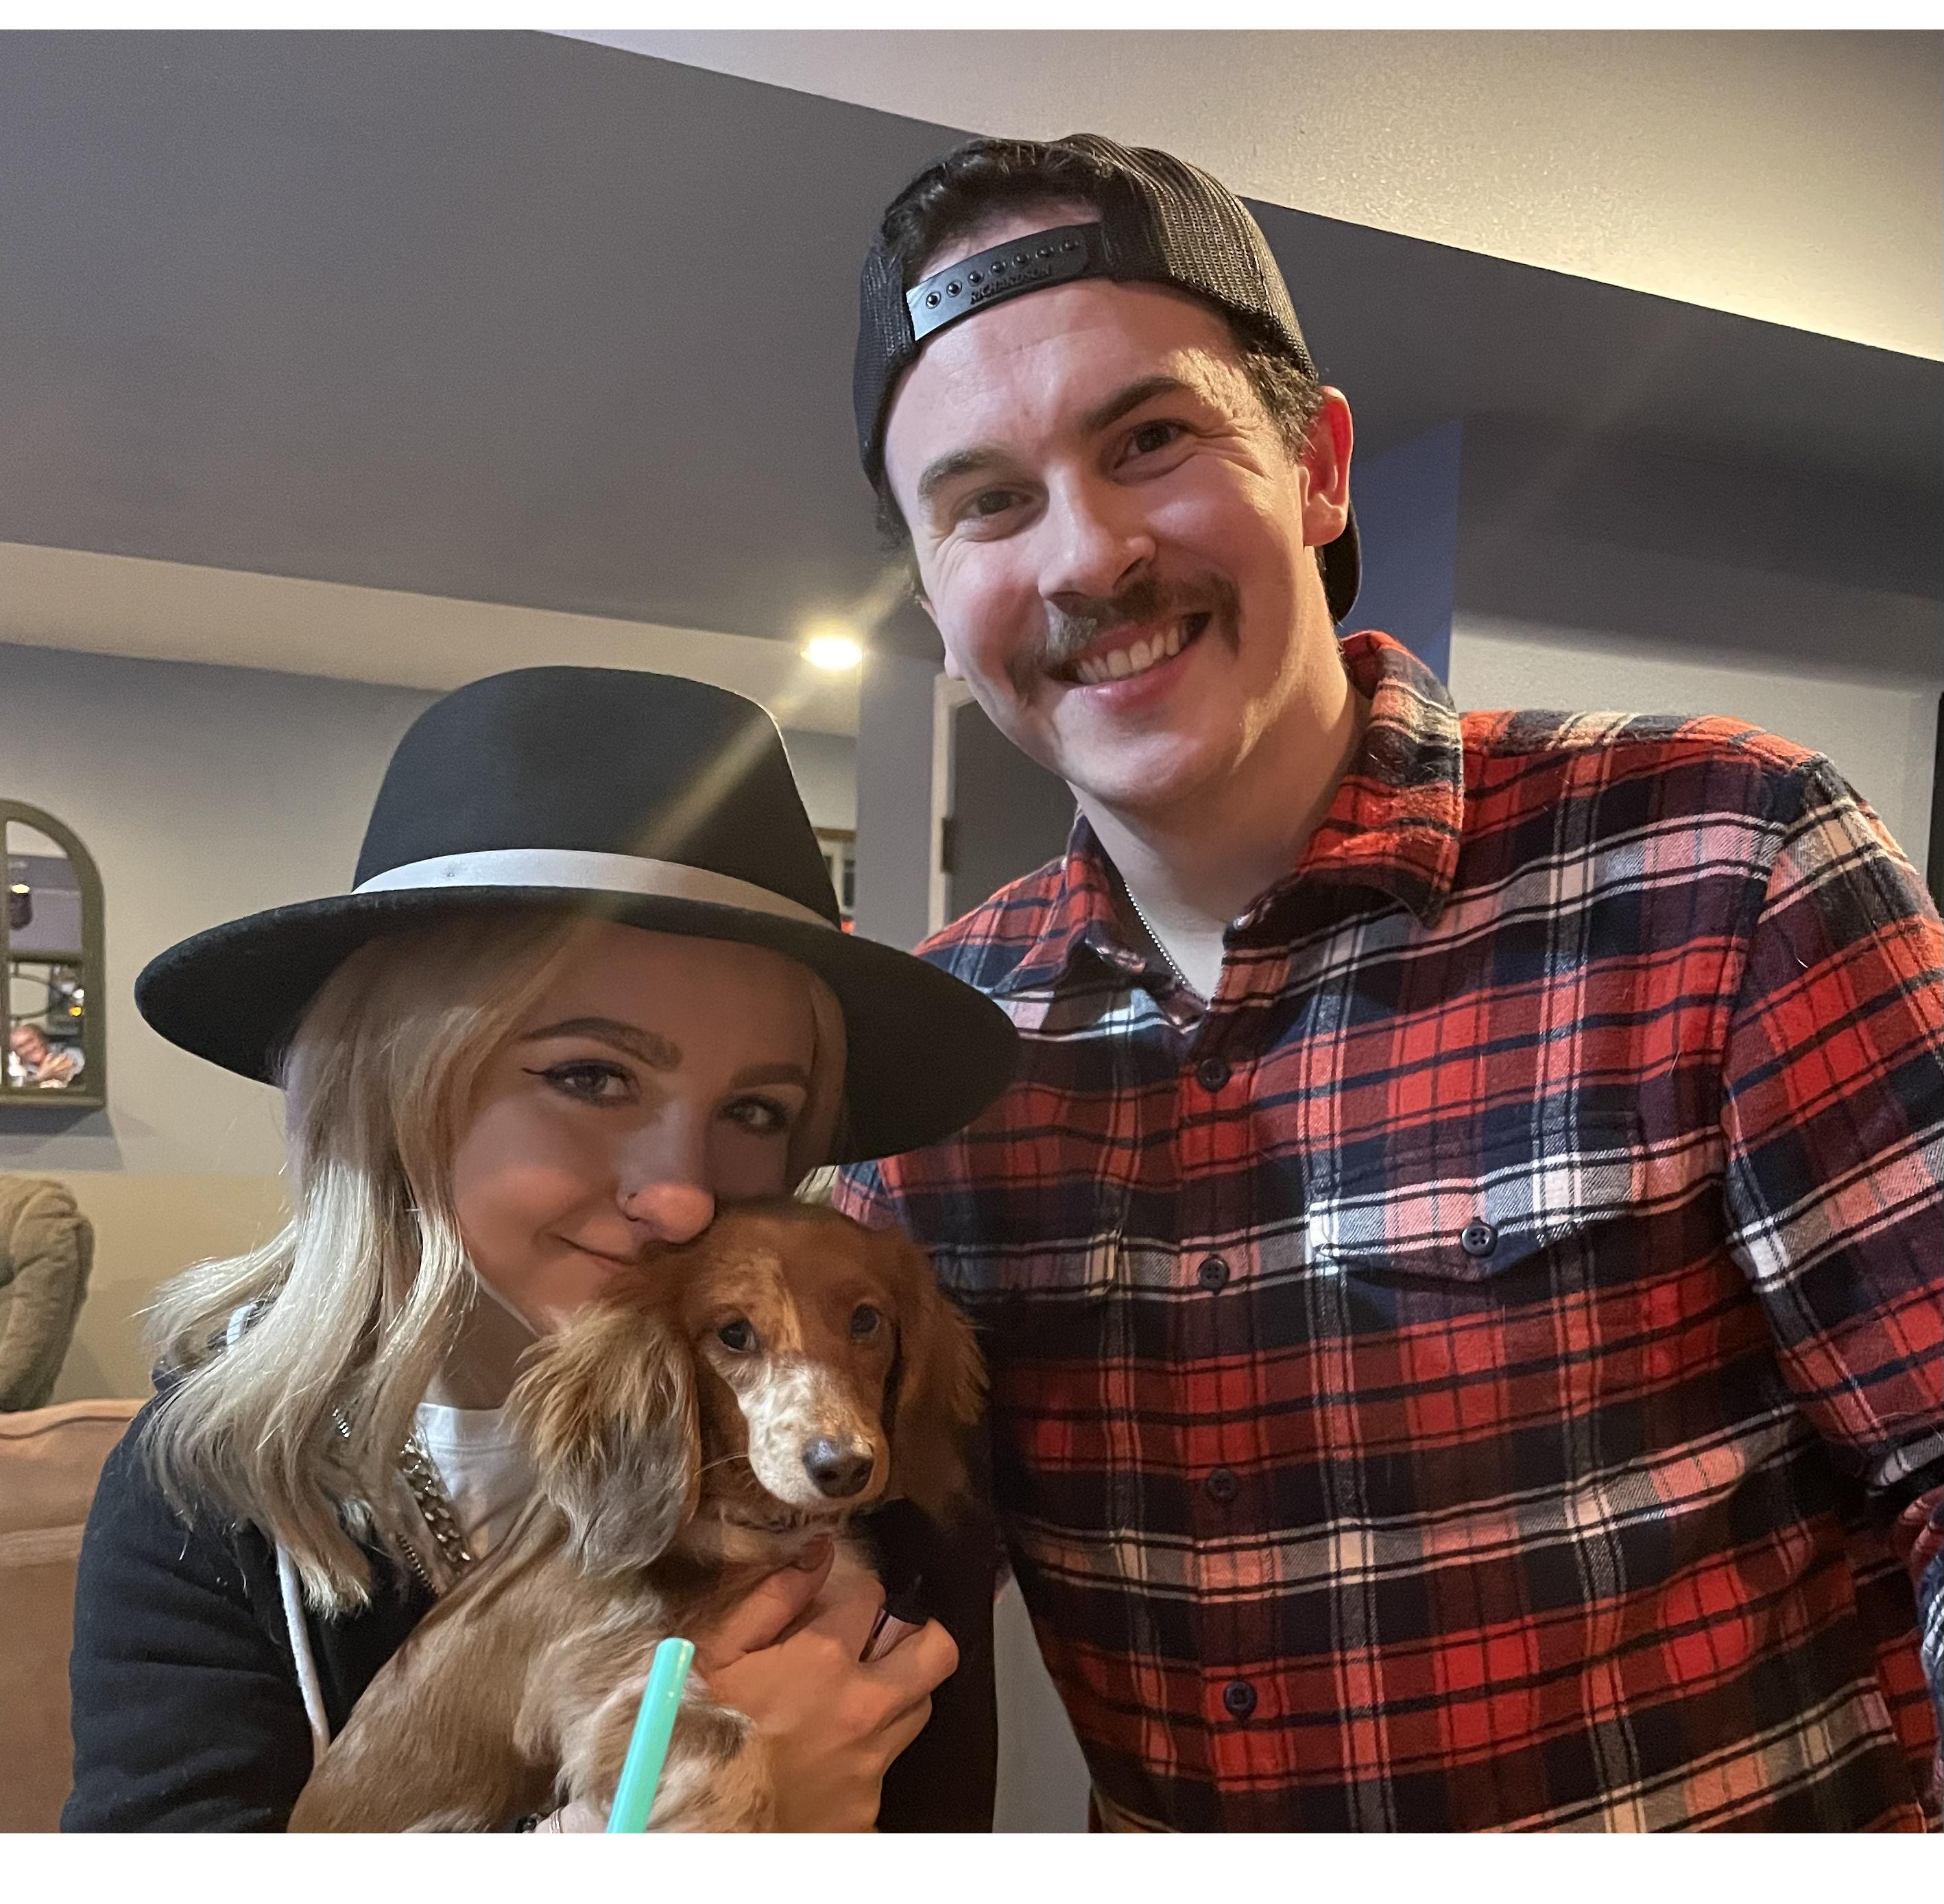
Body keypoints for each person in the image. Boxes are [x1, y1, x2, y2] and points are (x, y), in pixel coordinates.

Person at [834, 132, 1944, 1831]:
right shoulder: (928, 1066)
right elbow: (831, 1585)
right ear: (933, 592)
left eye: (1150, 440)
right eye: (986, 501)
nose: (1085, 558)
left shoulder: (1727, 852)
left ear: (1318, 468)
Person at [62, 665, 1018, 1831]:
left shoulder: (875, 1465)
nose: (680, 1196)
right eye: (589, 1077)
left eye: (756, 1110)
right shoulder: (210, 1480)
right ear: (393, 1090)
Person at [7, 1017, 83, 1089]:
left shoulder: (63, 1050)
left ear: (41, 1039)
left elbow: (77, 1060)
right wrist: (39, 1077)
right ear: (16, 1052)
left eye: (31, 1041)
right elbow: (17, 1090)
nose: (30, 1048)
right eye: (21, 1046)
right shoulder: (17, 1073)